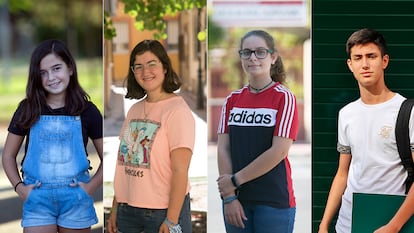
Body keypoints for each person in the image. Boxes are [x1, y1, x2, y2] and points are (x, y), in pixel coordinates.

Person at [318, 28, 414, 233]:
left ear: (384, 61)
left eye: (371, 56)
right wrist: (324, 224)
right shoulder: (346, 113)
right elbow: (342, 174)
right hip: (346, 224)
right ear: (350, 65)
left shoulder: (408, 111)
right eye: (358, 58)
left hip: (389, 222)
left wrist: (394, 226)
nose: (365, 64)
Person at [2, 39, 103, 233]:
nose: (51, 78)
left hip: (76, 199)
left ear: (70, 69)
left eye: (57, 68)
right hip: (38, 199)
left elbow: (108, 158)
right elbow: (7, 156)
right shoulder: (28, 109)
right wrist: (20, 188)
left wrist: (90, 188)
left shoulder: (87, 111)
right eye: (42, 73)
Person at [106, 40, 195, 233]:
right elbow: (124, 164)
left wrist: (172, 220)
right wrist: (115, 209)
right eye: (138, 66)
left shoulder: (177, 110)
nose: (145, 72)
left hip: (162, 212)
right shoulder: (134, 110)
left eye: (152, 64)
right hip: (127, 212)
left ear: (165, 67)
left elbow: (181, 170)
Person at [216, 30, 299, 233]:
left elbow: (279, 151)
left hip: (273, 201)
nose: (253, 57)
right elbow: (223, 148)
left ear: (273, 57)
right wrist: (229, 197)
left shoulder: (284, 98)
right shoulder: (232, 100)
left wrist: (234, 181)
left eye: (260, 52)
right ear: (241, 57)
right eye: (247, 52)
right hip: (237, 201)